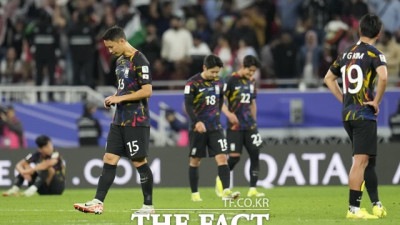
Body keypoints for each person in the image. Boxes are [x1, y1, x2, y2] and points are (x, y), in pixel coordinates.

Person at [73, 26, 154, 215]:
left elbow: (147, 91)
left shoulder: (139, 59)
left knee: (139, 161)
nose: (110, 51)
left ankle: (148, 206)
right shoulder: (119, 61)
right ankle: (97, 202)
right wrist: (114, 96)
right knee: (109, 158)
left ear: (121, 41)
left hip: (136, 119)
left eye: (111, 47)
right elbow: (125, 89)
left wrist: (120, 98)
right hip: (119, 119)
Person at [324, 14, 387, 219]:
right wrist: (376, 101)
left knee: (367, 160)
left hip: (348, 114)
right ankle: (354, 209)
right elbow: (384, 77)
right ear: (378, 33)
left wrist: (343, 99)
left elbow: (328, 78)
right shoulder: (375, 53)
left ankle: (376, 204)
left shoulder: (346, 53)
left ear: (360, 31)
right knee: (360, 162)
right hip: (364, 114)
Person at [184, 54, 240, 202]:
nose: (215, 75)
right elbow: (188, 106)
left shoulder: (220, 83)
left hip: (215, 127)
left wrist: (223, 114)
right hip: (198, 128)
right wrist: (196, 122)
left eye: (217, 72)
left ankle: (226, 191)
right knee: (195, 160)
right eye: (212, 72)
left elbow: (221, 100)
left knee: (222, 158)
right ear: (204, 68)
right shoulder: (192, 83)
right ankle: (195, 194)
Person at [216, 55, 264, 198]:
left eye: (254, 71)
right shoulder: (231, 80)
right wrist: (228, 114)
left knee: (255, 154)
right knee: (234, 158)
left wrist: (254, 121)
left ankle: (253, 189)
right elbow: (220, 101)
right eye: (250, 70)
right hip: (235, 126)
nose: (252, 73)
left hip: (249, 125)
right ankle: (221, 179)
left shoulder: (252, 82)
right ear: (243, 66)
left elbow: (252, 103)